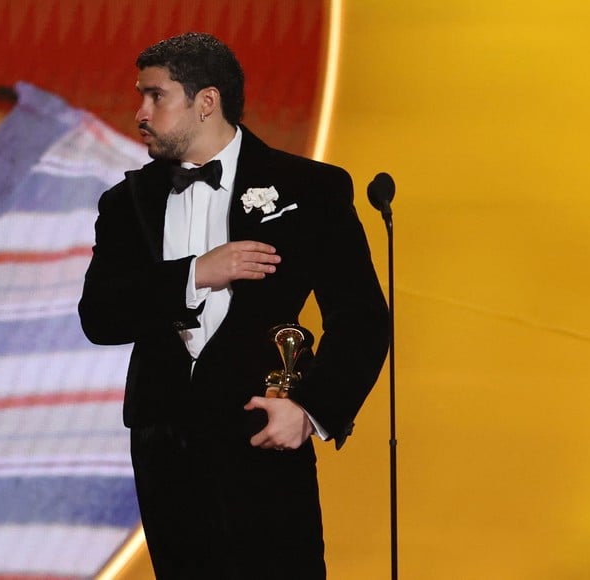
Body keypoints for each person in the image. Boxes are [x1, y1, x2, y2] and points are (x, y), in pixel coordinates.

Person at [78, 32, 390, 579]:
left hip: (265, 442)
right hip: (165, 455)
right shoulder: (127, 202)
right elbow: (100, 315)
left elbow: (361, 316)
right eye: (140, 96)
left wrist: (311, 409)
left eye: (156, 96)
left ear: (206, 102)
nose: (139, 112)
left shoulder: (310, 189)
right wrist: (197, 272)